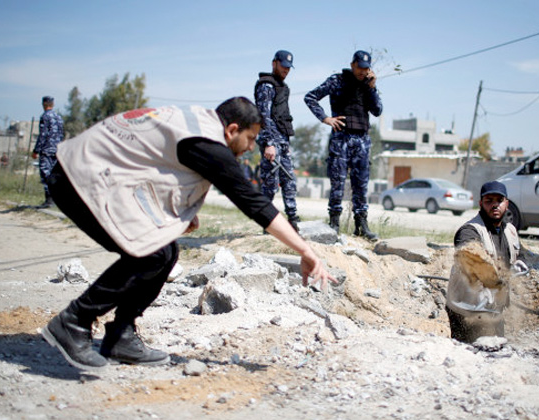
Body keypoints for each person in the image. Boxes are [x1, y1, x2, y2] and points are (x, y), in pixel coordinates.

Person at [41, 97, 336, 370]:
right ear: (233, 129)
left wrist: (178, 213)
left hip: (89, 173)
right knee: (150, 255)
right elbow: (254, 203)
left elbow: (153, 161)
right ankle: (73, 321)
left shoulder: (199, 123)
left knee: (166, 252)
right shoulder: (209, 144)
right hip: (77, 179)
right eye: (251, 138)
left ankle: (120, 335)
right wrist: (306, 250)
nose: (251, 147)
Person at [304, 50, 383, 240]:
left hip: (362, 140)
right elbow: (310, 97)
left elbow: (377, 110)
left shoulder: (368, 85)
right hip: (341, 138)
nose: (363, 72)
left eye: (366, 69)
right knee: (337, 182)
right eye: (360, 68)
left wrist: (372, 88)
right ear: (353, 64)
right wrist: (325, 118)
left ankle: (361, 225)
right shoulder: (337, 80)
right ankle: (334, 224)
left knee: (361, 185)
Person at [445, 181, 527, 343]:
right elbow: (469, 256)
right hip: (468, 311)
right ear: (481, 203)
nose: (495, 205)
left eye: (499, 201)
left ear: (506, 203)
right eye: (489, 201)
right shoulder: (469, 230)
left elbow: (520, 255)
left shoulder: (510, 230)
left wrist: (520, 264)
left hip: (494, 309)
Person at [255, 50, 300, 231]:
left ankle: (293, 220)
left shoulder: (283, 87)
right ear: (274, 63)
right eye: (283, 66)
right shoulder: (266, 86)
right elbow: (263, 115)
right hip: (271, 142)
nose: (286, 70)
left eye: (289, 68)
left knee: (289, 180)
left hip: (282, 142)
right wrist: (269, 143)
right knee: (270, 185)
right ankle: (266, 224)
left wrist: (284, 144)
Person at [32, 96, 64, 208]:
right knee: (54, 175)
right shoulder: (59, 117)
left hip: (46, 149)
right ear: (53, 104)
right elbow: (61, 134)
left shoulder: (45, 117)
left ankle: (49, 200)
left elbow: (43, 135)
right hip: (57, 150)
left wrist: (36, 150)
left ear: (44, 104)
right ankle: (57, 200)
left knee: (46, 174)